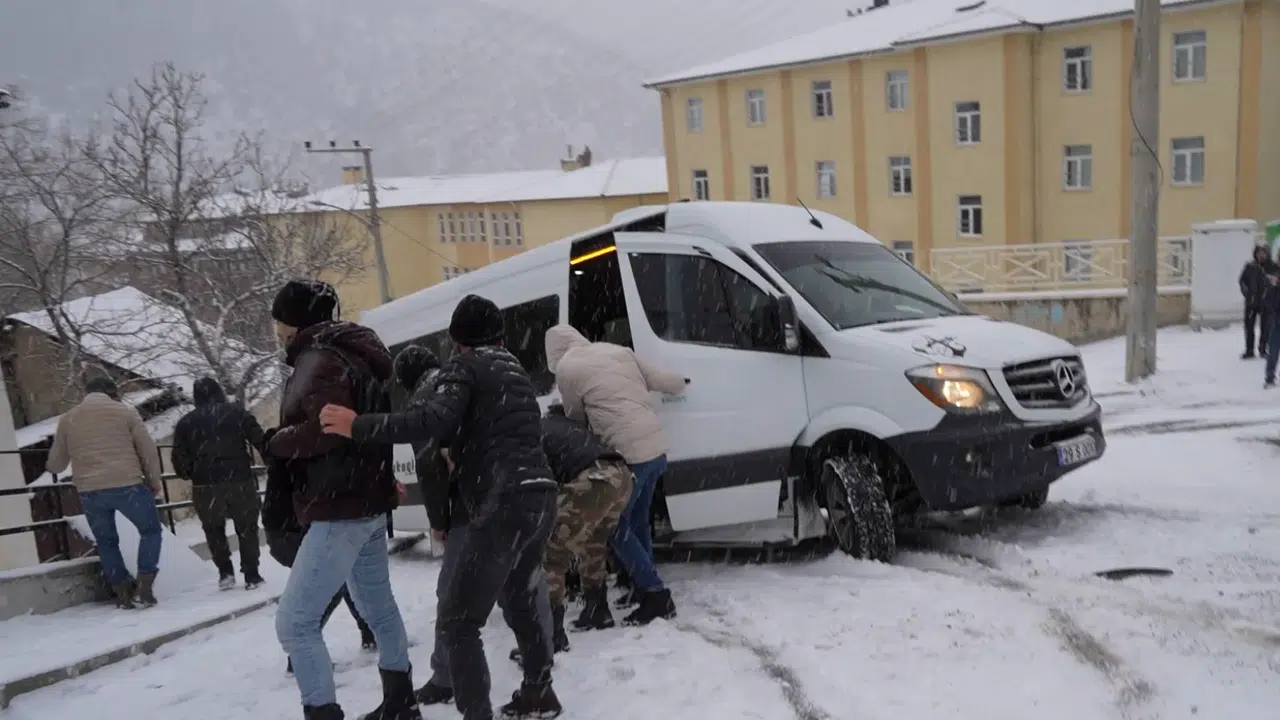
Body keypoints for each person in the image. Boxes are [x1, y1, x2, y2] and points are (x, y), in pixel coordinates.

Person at [321, 293, 563, 720]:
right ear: (501, 337)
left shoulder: (464, 367)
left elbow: (429, 421)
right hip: (539, 494)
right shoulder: (516, 372)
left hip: (500, 499)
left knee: (458, 622)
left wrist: (355, 425)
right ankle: (539, 692)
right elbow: (493, 430)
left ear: (456, 340)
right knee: (522, 598)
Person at [265, 279, 419, 720]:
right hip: (367, 500)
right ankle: (401, 703)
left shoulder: (320, 360)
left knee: (295, 624)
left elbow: (327, 431)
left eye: (279, 321)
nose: (277, 331)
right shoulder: (355, 354)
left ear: (294, 322)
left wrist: (275, 441)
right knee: (376, 606)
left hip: (339, 505)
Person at [543, 324, 687, 626]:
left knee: (614, 528)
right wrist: (682, 383)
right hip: (655, 449)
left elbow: (575, 419)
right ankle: (641, 586)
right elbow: (660, 380)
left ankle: (656, 595)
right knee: (637, 522)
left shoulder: (568, 368)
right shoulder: (617, 350)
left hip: (627, 455)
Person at [262, 426, 379, 677]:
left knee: (345, 576)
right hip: (291, 531)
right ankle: (300, 653)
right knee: (330, 587)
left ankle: (370, 634)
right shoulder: (299, 452)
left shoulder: (286, 450)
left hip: (282, 531)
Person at [46, 376, 165, 609]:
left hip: (90, 491)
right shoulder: (126, 413)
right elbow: (147, 450)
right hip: (128, 485)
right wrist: (154, 481)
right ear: (113, 394)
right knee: (150, 530)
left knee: (106, 541)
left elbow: (56, 464)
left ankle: (122, 593)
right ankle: (144, 588)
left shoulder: (68, 419)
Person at [387, 344, 461, 708]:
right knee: (517, 578)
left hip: (468, 506)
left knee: (451, 596)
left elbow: (430, 465)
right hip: (506, 494)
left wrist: (439, 523)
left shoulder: (422, 403)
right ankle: (542, 648)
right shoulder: (458, 382)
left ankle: (445, 679)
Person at [533, 403, 634, 640]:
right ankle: (597, 610)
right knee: (593, 545)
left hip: (593, 481)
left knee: (552, 557)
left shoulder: (535, 433)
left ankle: (550, 635)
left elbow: (540, 484)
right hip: (621, 476)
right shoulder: (570, 428)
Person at [171, 376, 268, 590]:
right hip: (239, 479)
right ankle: (251, 574)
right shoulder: (236, 413)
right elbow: (260, 440)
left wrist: (192, 473)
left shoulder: (186, 423)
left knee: (213, 529)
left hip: (205, 484)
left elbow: (179, 460)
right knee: (247, 528)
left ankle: (225, 573)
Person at [1239, 244, 1278, 359]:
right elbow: (1242, 281)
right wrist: (1247, 294)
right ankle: (1249, 350)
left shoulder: (1273, 267)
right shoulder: (1250, 266)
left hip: (1267, 302)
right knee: (1249, 326)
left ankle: (1263, 348)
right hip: (1252, 302)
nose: (1261, 255)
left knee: (1266, 326)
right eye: (1259, 252)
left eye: (1263, 252)